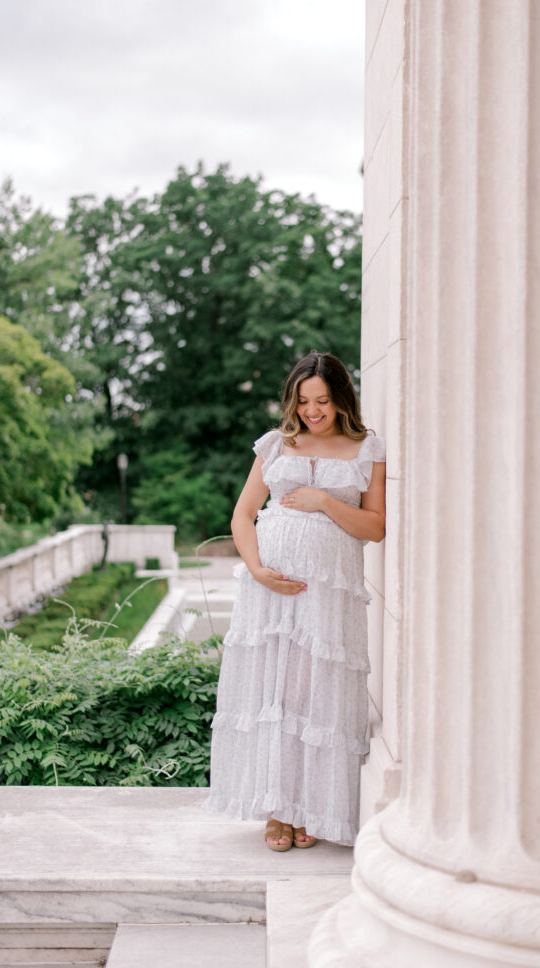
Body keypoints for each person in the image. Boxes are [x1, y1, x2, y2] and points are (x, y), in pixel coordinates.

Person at [202, 352, 386, 850]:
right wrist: (259, 571)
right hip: (270, 594)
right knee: (274, 693)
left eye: (322, 401)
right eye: (303, 401)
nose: (312, 411)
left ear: (341, 398)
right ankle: (278, 809)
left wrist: (324, 500)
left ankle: (310, 806)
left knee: (314, 693)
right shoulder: (277, 445)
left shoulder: (366, 449)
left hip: (328, 595)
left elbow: (375, 528)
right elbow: (242, 515)